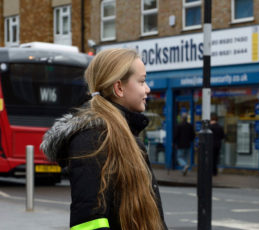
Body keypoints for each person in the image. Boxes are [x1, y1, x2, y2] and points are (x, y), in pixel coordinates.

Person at [40, 48, 167, 230]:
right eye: (142, 81)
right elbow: (88, 222)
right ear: (119, 88)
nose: (147, 89)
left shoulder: (126, 134)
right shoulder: (92, 140)